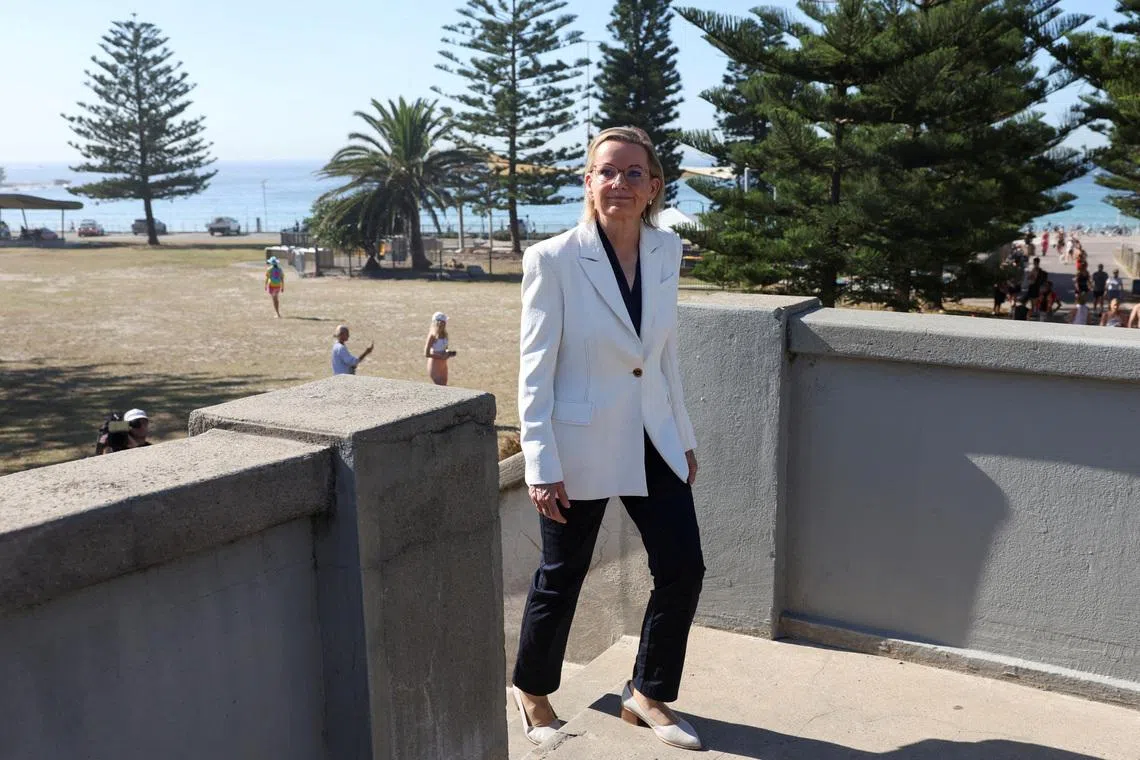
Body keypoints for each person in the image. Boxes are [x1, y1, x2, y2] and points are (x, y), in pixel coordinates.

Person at [512, 127, 704, 752]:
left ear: (653, 187)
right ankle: (533, 693)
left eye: (632, 173)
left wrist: (684, 435)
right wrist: (539, 463)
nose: (618, 183)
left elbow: (664, 355)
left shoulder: (666, 251)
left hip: (654, 437)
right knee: (562, 574)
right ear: (587, 182)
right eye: (606, 172)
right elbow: (535, 370)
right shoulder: (553, 259)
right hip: (580, 443)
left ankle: (646, 693)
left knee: (683, 568)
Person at [423, 312, 455, 386]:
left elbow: (445, 347)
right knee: (440, 386)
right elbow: (426, 353)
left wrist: (448, 352)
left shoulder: (445, 334)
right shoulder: (432, 335)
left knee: (444, 384)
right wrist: (440, 356)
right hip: (435, 365)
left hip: (443, 364)